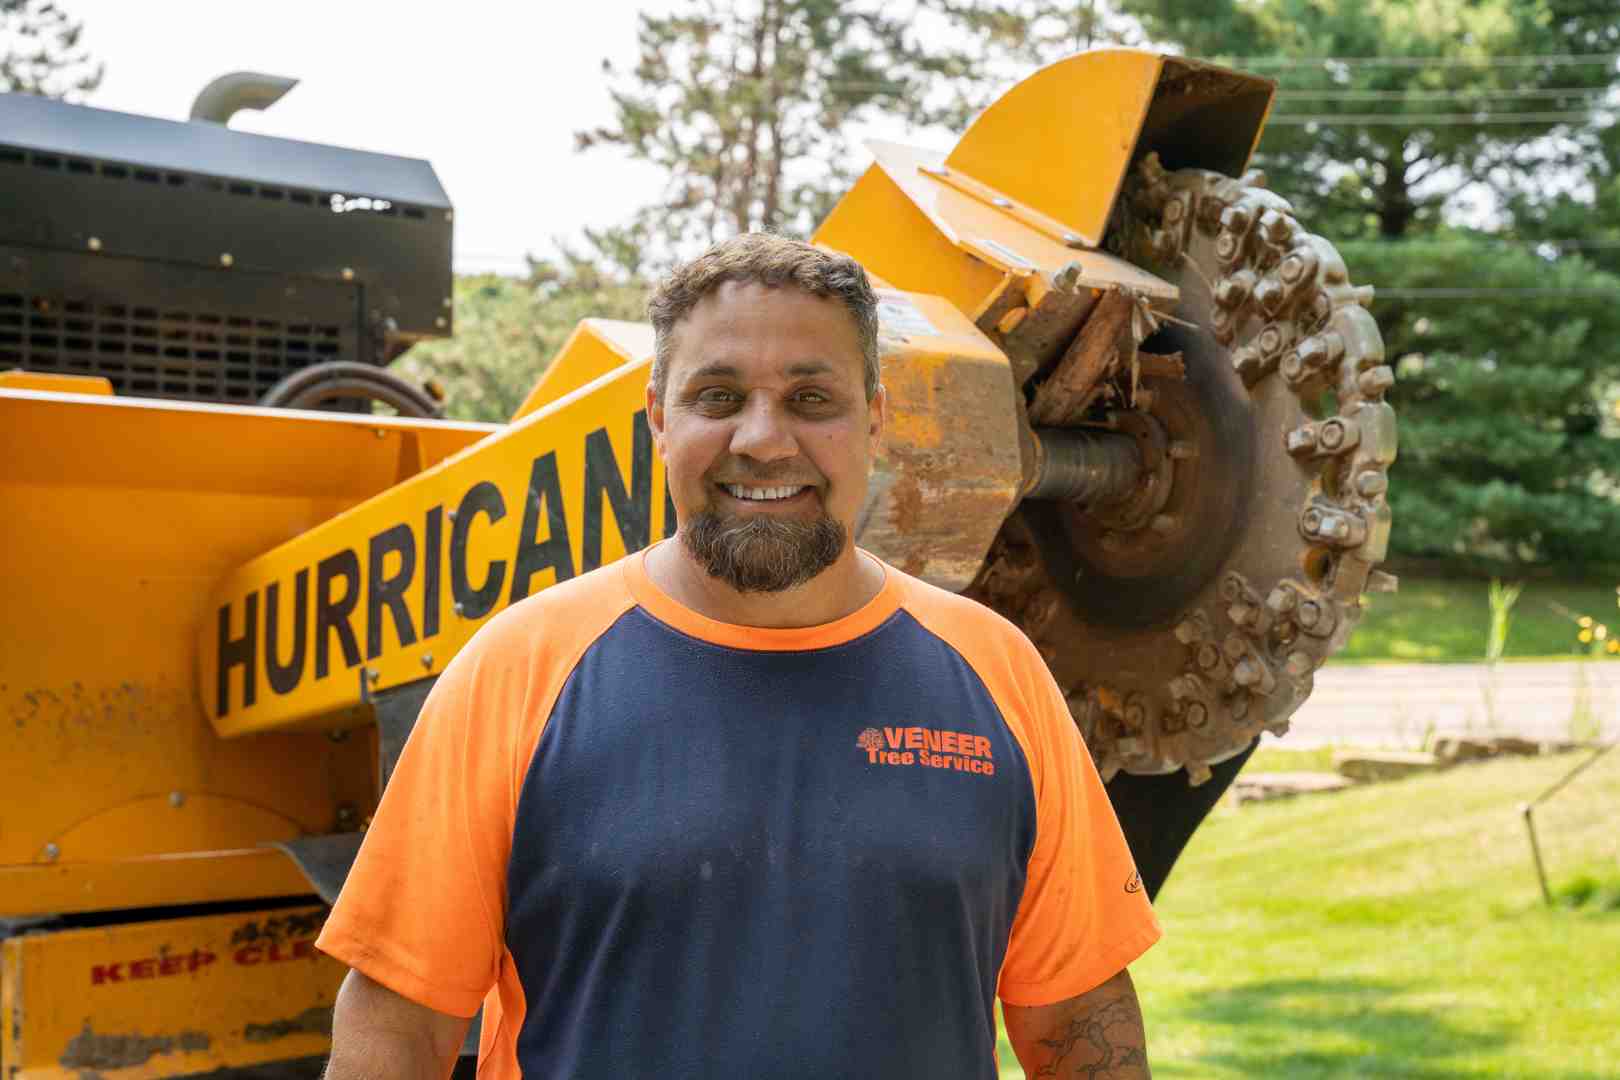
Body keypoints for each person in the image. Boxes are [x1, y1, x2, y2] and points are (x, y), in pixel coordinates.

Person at [317, 233, 1160, 1079]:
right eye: (718, 396)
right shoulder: (519, 671)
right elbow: (400, 1024)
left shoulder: (994, 672)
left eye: (811, 398)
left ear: (875, 416)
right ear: (658, 418)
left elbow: (1080, 1014)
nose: (762, 440)